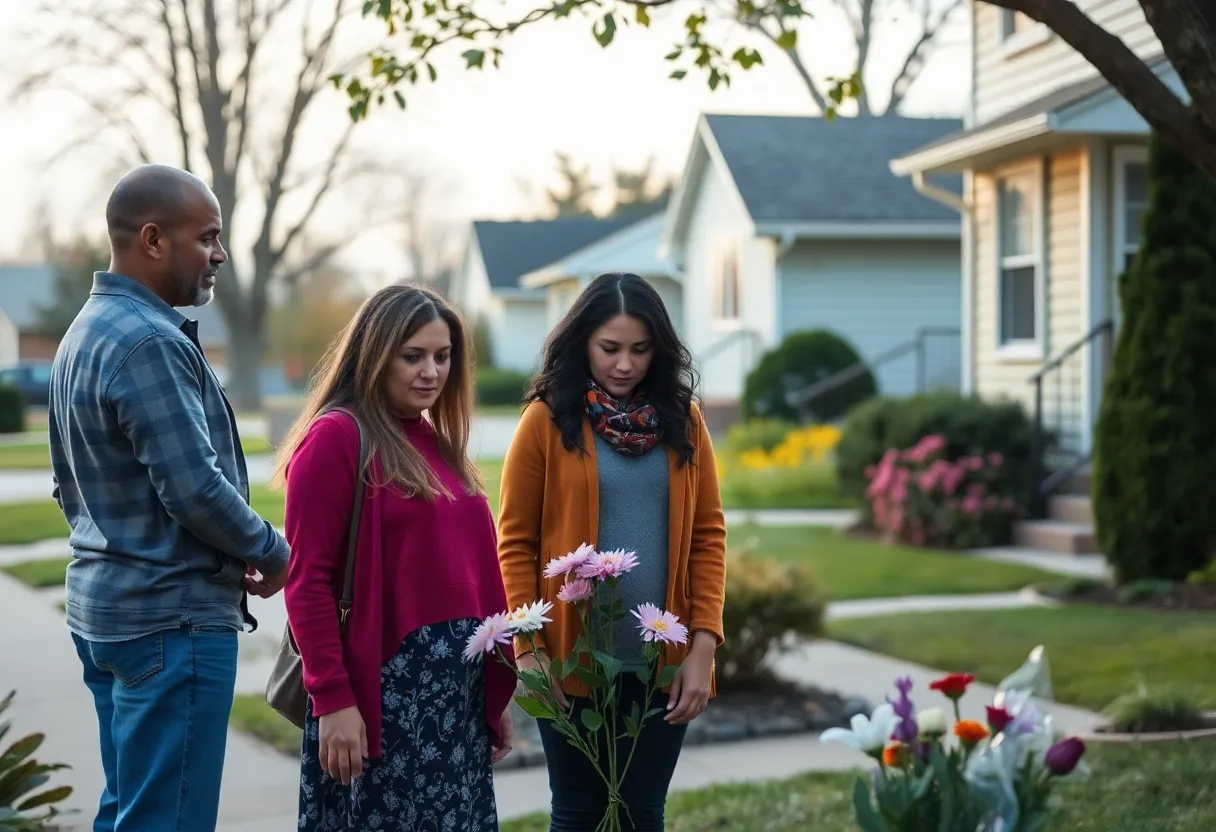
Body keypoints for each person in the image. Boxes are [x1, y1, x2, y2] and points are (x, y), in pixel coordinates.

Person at [47, 164, 290, 832]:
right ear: (154, 240)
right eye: (208, 238)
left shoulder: (85, 332)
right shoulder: (149, 341)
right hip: (170, 623)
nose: (219, 255)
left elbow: (69, 485)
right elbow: (195, 489)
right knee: (166, 822)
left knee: (129, 812)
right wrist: (271, 551)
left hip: (110, 615)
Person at [278, 283, 516, 831]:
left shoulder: (436, 442)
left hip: (454, 699)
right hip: (382, 697)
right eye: (412, 356)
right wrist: (332, 699)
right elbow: (306, 582)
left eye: (442, 355)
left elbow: (471, 577)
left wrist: (490, 692)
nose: (431, 371)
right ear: (375, 355)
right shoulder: (337, 438)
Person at [497, 272, 728, 831]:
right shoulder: (545, 421)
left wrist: (703, 645)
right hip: (571, 664)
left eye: (640, 350)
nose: (624, 364)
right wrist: (529, 653)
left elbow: (707, 535)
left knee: (643, 815)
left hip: (662, 668)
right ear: (582, 344)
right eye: (610, 349)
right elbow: (515, 542)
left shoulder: (684, 421)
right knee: (578, 815)